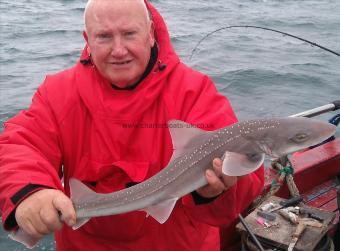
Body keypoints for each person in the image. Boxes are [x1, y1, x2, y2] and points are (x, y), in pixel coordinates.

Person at [0, 0, 264, 250]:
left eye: (129, 34)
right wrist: (29, 190)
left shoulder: (194, 93)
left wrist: (212, 192)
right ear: (87, 40)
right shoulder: (58, 94)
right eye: (104, 36)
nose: (118, 50)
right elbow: (21, 144)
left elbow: (241, 194)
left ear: (150, 33)